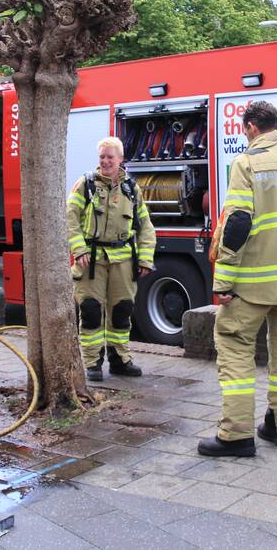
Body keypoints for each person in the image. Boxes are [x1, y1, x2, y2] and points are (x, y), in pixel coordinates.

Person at [198, 101, 277, 458]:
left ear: (251, 128)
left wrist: (223, 280)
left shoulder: (247, 163)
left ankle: (236, 434)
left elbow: (238, 222)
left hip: (253, 282)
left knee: (235, 345)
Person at [67, 137, 156, 382]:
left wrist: (145, 259)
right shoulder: (84, 185)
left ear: (120, 159)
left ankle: (120, 360)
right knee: (91, 310)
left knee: (122, 311)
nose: (105, 161)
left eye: (110, 157)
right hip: (91, 260)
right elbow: (70, 219)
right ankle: (93, 363)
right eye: (102, 157)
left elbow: (146, 226)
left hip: (123, 261)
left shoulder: (132, 188)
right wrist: (79, 249)